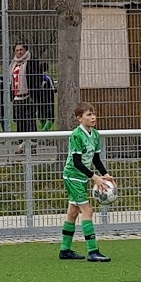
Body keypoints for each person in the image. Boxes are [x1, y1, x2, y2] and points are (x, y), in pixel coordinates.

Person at [59, 102, 114, 262]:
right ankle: (93, 251)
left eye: (93, 114)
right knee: (87, 210)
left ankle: (65, 250)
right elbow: (77, 162)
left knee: (73, 212)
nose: (93, 117)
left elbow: (96, 159)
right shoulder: (76, 135)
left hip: (81, 177)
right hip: (73, 176)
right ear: (79, 118)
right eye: (89, 115)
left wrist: (105, 174)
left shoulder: (95, 134)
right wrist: (94, 177)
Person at [9, 43, 43, 154]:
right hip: (17, 97)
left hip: (28, 97)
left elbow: (37, 79)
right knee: (20, 122)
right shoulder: (13, 64)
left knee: (30, 121)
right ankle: (21, 145)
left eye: (21, 50)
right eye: (17, 50)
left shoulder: (32, 62)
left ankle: (32, 146)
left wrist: (34, 94)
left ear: (25, 50)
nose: (19, 52)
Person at [35, 63, 56, 131]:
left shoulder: (36, 77)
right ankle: (44, 131)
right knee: (51, 118)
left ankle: (43, 132)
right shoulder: (48, 78)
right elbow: (53, 88)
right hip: (48, 100)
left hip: (39, 100)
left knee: (42, 118)